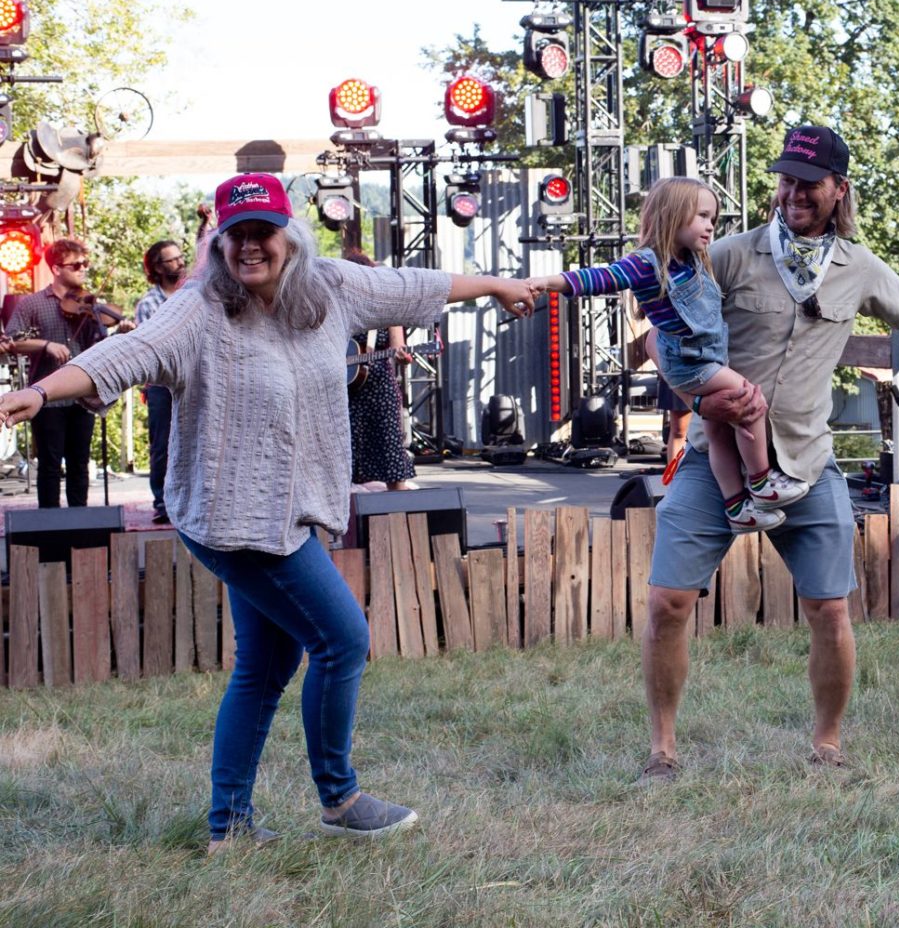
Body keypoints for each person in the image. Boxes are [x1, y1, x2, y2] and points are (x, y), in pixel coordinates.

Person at [0, 173, 537, 853]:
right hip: (233, 519)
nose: (250, 246)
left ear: (291, 236)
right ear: (219, 243)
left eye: (264, 232)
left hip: (292, 512)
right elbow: (128, 353)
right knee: (343, 641)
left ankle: (229, 827)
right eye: (237, 235)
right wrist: (43, 392)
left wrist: (494, 284)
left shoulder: (330, 287)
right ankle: (339, 798)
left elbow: (413, 285)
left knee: (264, 664)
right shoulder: (199, 310)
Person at [633, 126, 899, 781]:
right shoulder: (730, 255)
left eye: (809, 183)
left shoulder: (858, 267)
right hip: (718, 461)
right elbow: (659, 329)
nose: (794, 193)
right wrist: (690, 390)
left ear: (839, 189)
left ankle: (826, 743)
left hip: (807, 466)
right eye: (786, 181)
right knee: (666, 605)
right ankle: (662, 749)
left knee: (829, 609)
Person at [531, 177, 807, 532]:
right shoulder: (647, 264)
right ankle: (762, 482)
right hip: (692, 363)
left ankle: (738, 508)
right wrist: (547, 283)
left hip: (705, 359)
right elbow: (599, 278)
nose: (710, 225)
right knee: (751, 402)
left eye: (713, 218)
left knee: (718, 434)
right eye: (702, 216)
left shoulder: (693, 260)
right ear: (672, 215)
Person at [5, 238, 129, 507]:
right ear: (57, 269)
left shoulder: (90, 306)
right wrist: (46, 345)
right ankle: (49, 522)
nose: (83, 268)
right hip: (46, 398)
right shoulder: (32, 304)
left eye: (85, 263)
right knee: (49, 464)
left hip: (82, 397)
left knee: (79, 463)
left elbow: (99, 347)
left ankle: (79, 520)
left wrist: (119, 332)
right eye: (76, 265)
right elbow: (12, 340)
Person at [343, 249, 416, 491]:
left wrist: (403, 357)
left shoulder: (387, 309)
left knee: (389, 451)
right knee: (346, 454)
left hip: (379, 388)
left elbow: (399, 349)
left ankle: (400, 509)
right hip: (343, 389)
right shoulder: (338, 309)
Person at [136, 237, 190, 523]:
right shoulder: (149, 303)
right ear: (157, 268)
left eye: (181, 257)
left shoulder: (193, 294)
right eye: (173, 259)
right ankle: (163, 503)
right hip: (162, 384)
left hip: (192, 380)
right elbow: (151, 349)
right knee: (162, 444)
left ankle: (191, 502)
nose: (180, 263)